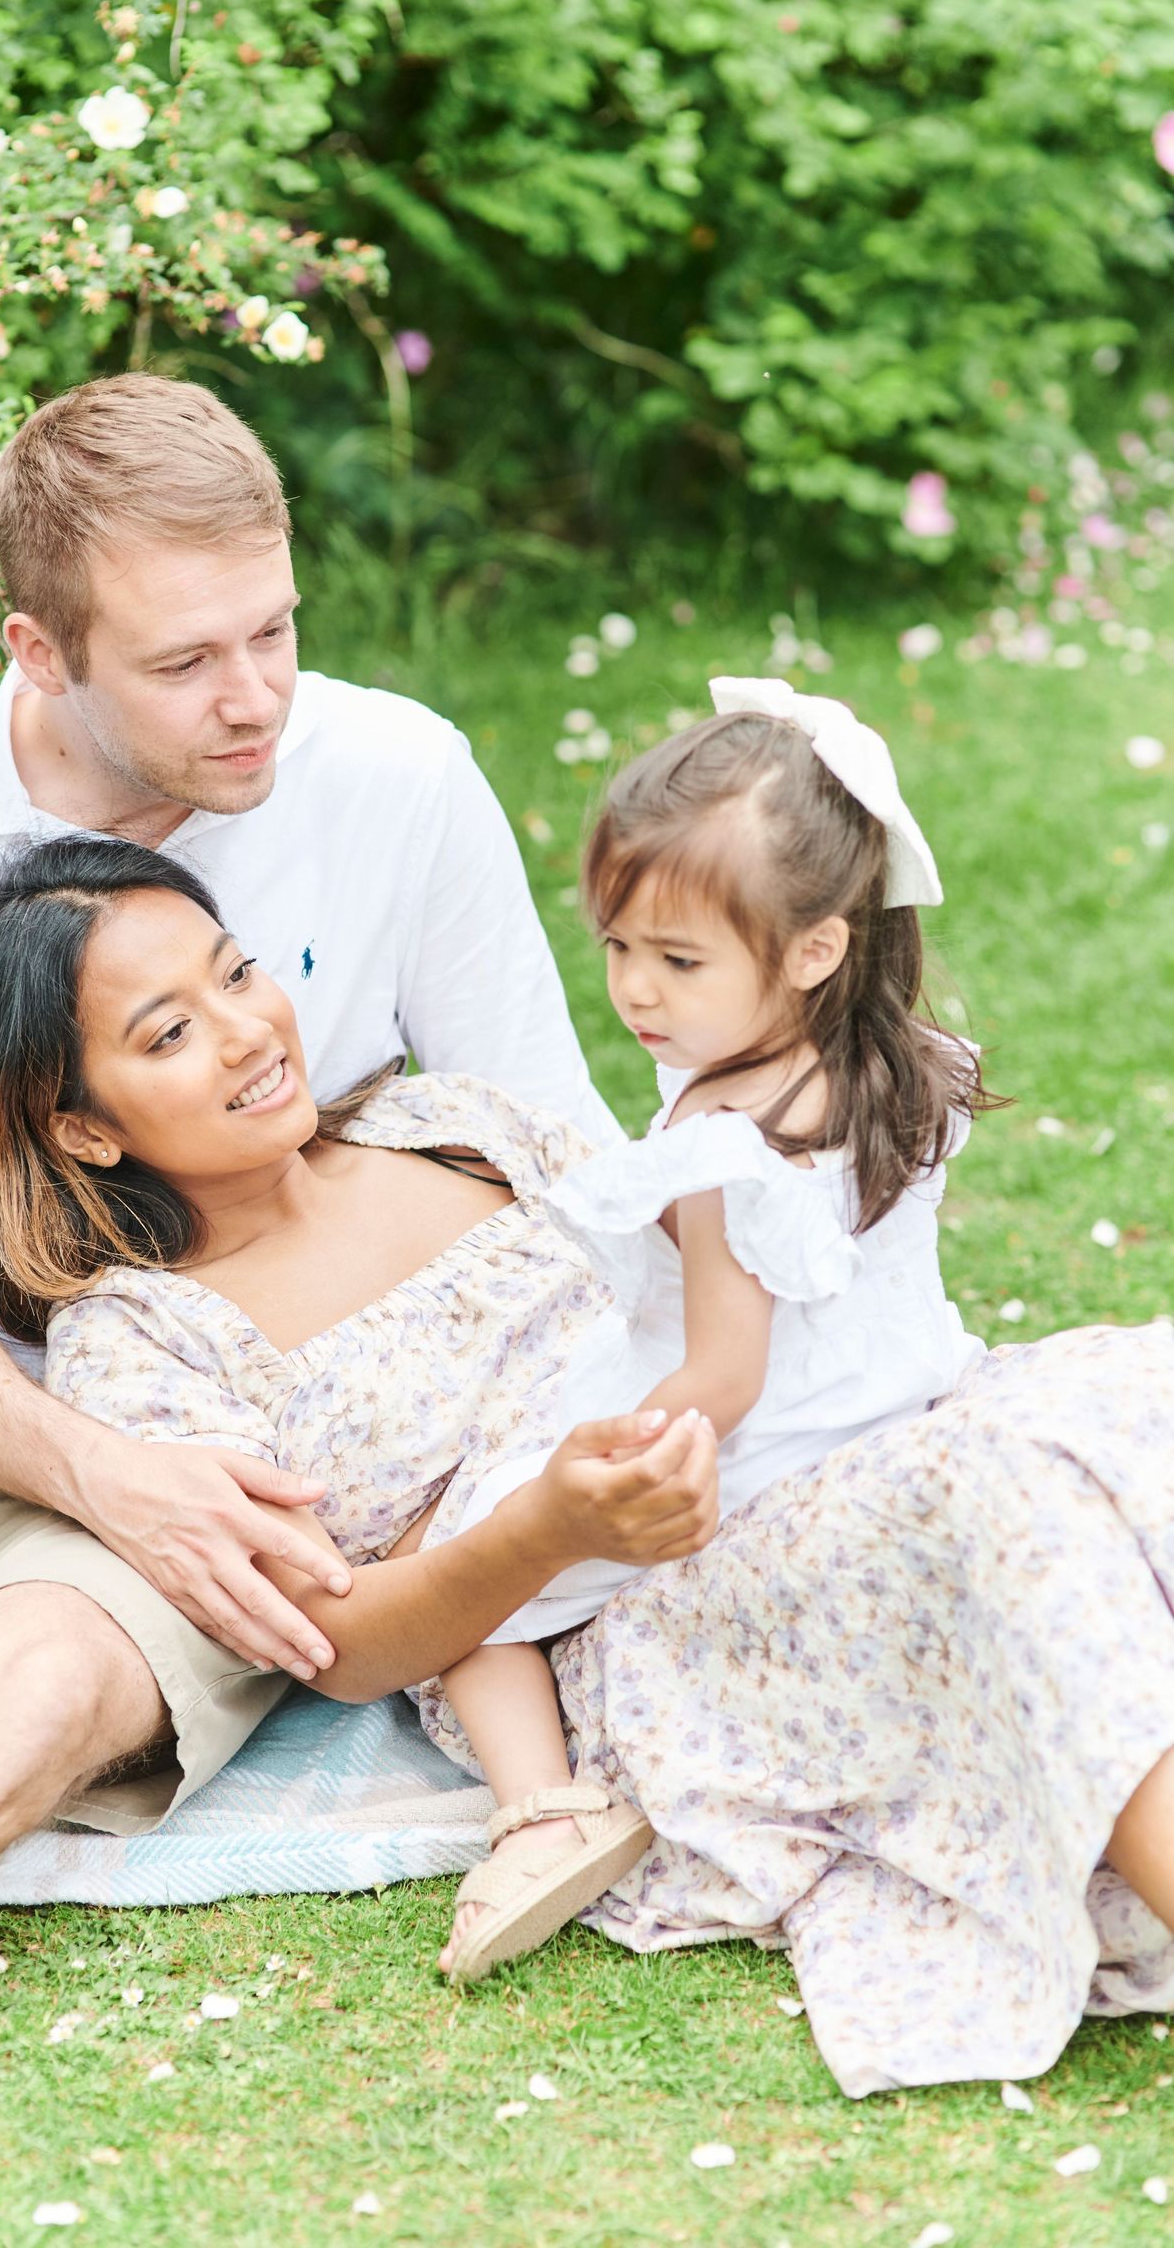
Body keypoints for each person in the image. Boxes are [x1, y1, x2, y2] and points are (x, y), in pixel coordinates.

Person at [0, 374, 622, 2126]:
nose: (255, 697)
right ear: (39, 649)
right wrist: (93, 1465)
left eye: (274, 630)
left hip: (234, 1459)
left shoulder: (394, 774)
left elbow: (548, 1141)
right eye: (187, 663)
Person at [0, 835, 1174, 2098]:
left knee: (1121, 1396)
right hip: (631, 1602)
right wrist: (551, 1525)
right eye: (167, 1033)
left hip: (795, 1427)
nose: (247, 1029)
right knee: (1006, 1505)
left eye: (236, 970)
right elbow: (333, 1639)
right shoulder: (146, 1338)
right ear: (84, 1129)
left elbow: (702, 1245)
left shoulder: (444, 1123)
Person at [428, 676, 1003, 1978]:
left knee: (468, 1562)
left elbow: (724, 1376)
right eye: (619, 945)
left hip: (765, 1446)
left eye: (677, 959)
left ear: (811, 948)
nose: (634, 988)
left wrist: (586, 1481)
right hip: (904, 1397)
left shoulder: (714, 1141)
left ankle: (539, 1811)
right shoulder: (893, 1054)